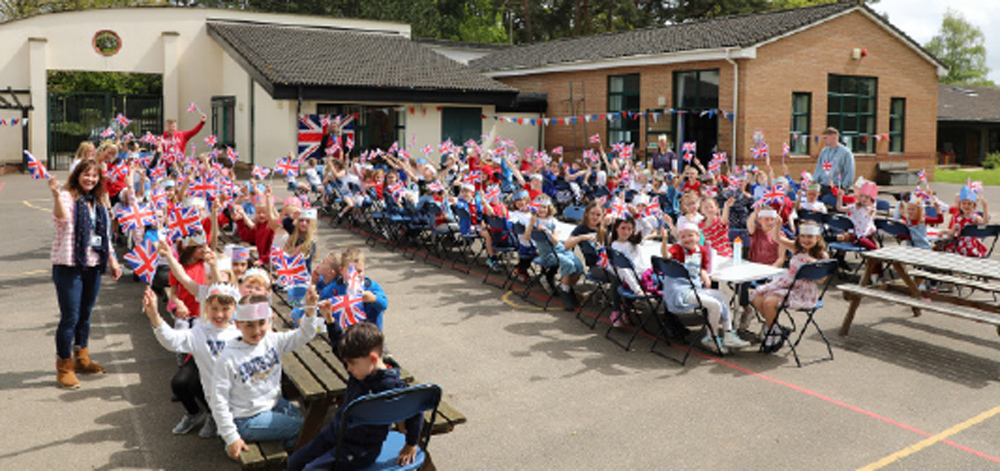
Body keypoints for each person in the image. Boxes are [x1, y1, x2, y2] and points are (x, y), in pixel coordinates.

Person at [287, 323, 425, 471]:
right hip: (334, 435)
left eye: (352, 364)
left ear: (372, 358)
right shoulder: (361, 371)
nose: (349, 368)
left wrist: (411, 444)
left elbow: (416, 409)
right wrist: (331, 323)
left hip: (359, 450)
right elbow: (340, 349)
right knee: (295, 461)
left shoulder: (391, 387)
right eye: (347, 363)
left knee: (311, 469)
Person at [210, 293, 324, 461]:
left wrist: (310, 310)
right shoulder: (228, 358)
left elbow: (304, 335)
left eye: (261, 323)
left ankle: (281, 446)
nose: (256, 331)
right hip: (245, 418)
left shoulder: (271, 340)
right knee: (304, 428)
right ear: (237, 325)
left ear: (269, 321)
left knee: (302, 416)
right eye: (249, 326)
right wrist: (231, 436)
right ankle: (286, 458)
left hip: (271, 404)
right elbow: (217, 400)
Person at [48, 159, 123, 389]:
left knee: (85, 315)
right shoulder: (67, 197)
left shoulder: (98, 202)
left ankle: (82, 358)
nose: (90, 179)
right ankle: (64, 366)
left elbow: (106, 237)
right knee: (70, 317)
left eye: (94, 176)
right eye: (86, 174)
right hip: (69, 266)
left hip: (93, 265)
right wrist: (54, 194)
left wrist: (113, 261)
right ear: (77, 175)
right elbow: (61, 218)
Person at [143, 284, 241, 438]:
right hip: (218, 402)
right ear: (207, 307)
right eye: (214, 308)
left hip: (242, 399)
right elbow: (172, 340)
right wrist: (154, 316)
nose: (219, 314)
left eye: (225, 309)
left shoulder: (241, 332)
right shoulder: (199, 333)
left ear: (235, 308)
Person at [660, 223, 750, 353]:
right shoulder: (678, 249)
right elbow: (665, 257)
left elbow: (701, 267)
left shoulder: (701, 250)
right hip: (679, 291)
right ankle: (711, 337)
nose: (687, 239)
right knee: (715, 305)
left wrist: (704, 275)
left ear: (698, 236)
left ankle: (728, 333)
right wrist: (664, 240)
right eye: (683, 236)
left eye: (690, 235)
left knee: (724, 295)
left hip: (694, 288)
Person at [751, 221, 829, 353]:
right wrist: (778, 225)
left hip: (802, 291)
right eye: (803, 236)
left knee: (769, 301)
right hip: (785, 282)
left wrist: (814, 265)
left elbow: (822, 280)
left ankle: (771, 333)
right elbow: (777, 238)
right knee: (756, 297)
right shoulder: (797, 247)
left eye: (810, 237)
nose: (805, 240)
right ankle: (775, 329)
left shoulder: (822, 255)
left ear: (818, 238)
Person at [319, 248, 389, 351]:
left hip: (371, 339)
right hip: (346, 337)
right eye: (350, 272)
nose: (355, 275)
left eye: (359, 271)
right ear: (341, 271)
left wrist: (373, 299)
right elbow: (324, 299)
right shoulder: (335, 288)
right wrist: (324, 305)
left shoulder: (371, 287)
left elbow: (384, 305)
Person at [528, 196, 584, 310]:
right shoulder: (534, 221)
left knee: (578, 266)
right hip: (547, 254)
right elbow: (526, 236)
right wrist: (531, 225)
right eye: (539, 207)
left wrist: (547, 231)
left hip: (559, 248)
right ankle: (565, 292)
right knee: (568, 264)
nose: (542, 210)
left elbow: (556, 241)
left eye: (544, 207)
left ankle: (567, 287)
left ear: (549, 208)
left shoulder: (553, 221)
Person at [941, 186, 990, 257]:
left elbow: (985, 222)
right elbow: (952, 232)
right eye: (964, 203)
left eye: (969, 204)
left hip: (971, 246)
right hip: (959, 244)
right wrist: (944, 232)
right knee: (941, 248)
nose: (966, 206)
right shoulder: (957, 217)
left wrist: (985, 208)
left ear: (973, 205)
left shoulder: (974, 217)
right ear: (960, 205)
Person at [834, 181, 878, 251]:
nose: (863, 199)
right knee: (875, 249)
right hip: (856, 236)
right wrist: (840, 197)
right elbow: (840, 208)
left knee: (874, 248)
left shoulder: (871, 210)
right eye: (861, 196)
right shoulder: (854, 207)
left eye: (866, 197)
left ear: (871, 200)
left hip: (867, 235)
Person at [812, 127, 855, 197]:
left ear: (834, 137)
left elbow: (849, 172)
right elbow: (819, 168)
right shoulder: (824, 151)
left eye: (826, 138)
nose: (824, 140)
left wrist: (844, 187)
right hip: (823, 185)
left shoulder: (846, 153)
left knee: (828, 199)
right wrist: (814, 180)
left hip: (837, 187)